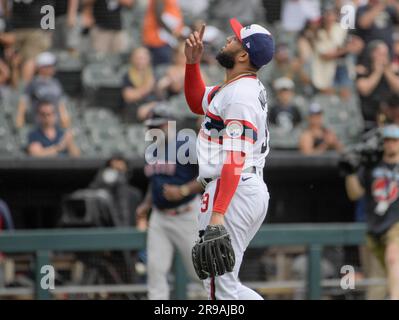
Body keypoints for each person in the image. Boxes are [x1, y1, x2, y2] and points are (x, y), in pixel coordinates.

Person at [184, 18, 273, 299]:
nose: (228, 40)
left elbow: (234, 158)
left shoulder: (241, 95)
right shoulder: (235, 87)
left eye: (235, 39)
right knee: (224, 286)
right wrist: (191, 63)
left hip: (233, 189)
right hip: (239, 187)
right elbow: (197, 100)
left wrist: (218, 215)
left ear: (243, 55)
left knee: (218, 290)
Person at [135, 106, 203, 300]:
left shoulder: (188, 143)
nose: (154, 129)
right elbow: (156, 180)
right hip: (159, 217)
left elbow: (208, 176)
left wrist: (183, 190)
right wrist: (147, 203)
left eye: (159, 125)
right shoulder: (153, 147)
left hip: (187, 215)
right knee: (155, 273)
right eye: (152, 126)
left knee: (200, 274)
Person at [345, 124, 399, 299]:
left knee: (393, 259)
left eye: (395, 140)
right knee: (377, 283)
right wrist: (350, 172)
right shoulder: (372, 165)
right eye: (388, 140)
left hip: (396, 225)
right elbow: (355, 193)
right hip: (374, 227)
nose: (391, 144)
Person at [15, 52, 71, 129]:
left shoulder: (56, 83)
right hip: (39, 124)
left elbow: (60, 102)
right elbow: (24, 101)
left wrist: (64, 117)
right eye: (49, 66)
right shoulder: (34, 83)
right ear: (41, 67)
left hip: (55, 124)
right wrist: (20, 117)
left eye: (52, 66)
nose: (52, 68)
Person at [356, 40, 399, 130]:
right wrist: (377, 72)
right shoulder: (363, 69)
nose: (383, 57)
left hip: (392, 115)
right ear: (371, 54)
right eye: (379, 53)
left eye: (385, 54)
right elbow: (364, 90)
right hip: (369, 117)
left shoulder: (392, 70)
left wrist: (387, 71)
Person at [142, 0, 184, 66]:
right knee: (162, 68)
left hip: (164, 40)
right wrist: (172, 32)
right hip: (157, 40)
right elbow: (158, 16)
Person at [121, 47, 155, 122]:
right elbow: (128, 96)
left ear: (149, 59)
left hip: (152, 108)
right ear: (132, 59)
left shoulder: (154, 74)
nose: (140, 61)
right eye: (138, 58)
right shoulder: (128, 76)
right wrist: (147, 87)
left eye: (143, 58)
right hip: (134, 110)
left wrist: (149, 107)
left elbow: (162, 98)